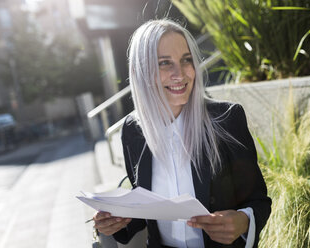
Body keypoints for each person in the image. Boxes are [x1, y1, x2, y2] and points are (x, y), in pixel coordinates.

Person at [93, 19, 271, 248]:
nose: (180, 74)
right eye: (165, 63)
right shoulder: (133, 129)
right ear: (142, 72)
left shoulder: (226, 119)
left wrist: (244, 221)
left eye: (186, 60)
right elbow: (146, 203)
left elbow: (259, 201)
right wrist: (117, 221)